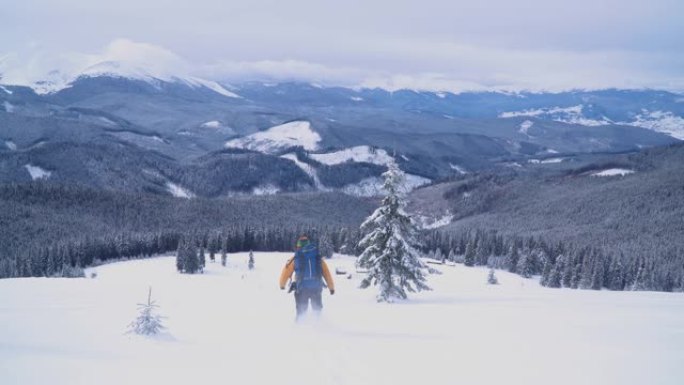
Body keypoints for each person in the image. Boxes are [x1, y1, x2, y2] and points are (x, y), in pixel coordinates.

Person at [279, 235, 335, 319]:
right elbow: (326, 273)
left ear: (299, 246)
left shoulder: (296, 258)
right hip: (316, 289)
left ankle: (300, 328)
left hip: (302, 289)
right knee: (317, 311)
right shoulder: (317, 257)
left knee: (301, 313)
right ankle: (319, 326)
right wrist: (331, 287)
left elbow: (286, 272)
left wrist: (282, 285)